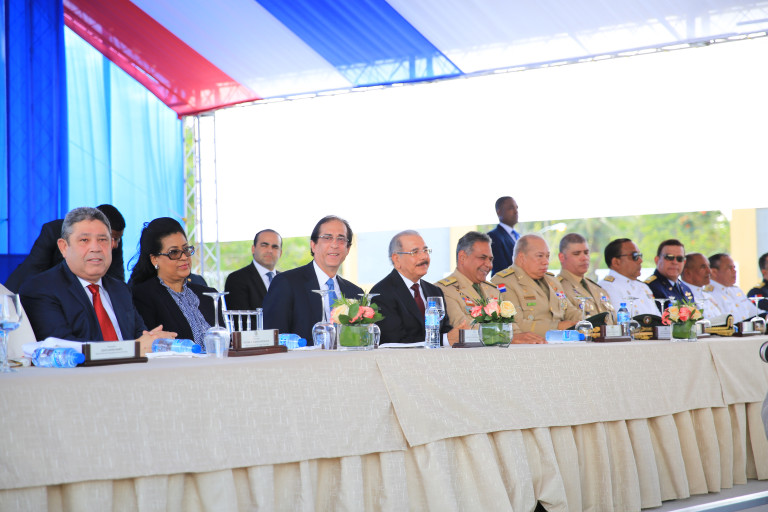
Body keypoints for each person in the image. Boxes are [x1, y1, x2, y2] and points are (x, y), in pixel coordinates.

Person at [19, 207, 173, 351]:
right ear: (64, 247)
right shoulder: (41, 290)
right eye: (84, 240)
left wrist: (154, 340)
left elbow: (141, 337)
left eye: (103, 240)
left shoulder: (120, 289)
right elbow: (64, 350)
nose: (96, 248)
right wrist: (133, 348)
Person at [262, 215, 363, 343]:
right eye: (327, 238)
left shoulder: (355, 293)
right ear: (313, 245)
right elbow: (273, 339)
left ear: (348, 249)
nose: (335, 244)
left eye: (341, 239)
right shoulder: (286, 283)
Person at [129, 218, 220, 350]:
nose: (184, 257)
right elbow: (151, 347)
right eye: (174, 252)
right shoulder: (142, 296)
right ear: (154, 259)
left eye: (186, 249)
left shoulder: (209, 295)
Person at [370, 230, 466, 345]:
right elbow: (395, 341)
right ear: (396, 259)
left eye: (425, 250)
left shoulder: (434, 291)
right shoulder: (382, 293)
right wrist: (445, 340)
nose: (424, 256)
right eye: (414, 252)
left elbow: (444, 330)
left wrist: (456, 335)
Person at [4, 204, 126, 292]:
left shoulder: (113, 243)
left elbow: (116, 282)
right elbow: (34, 272)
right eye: (112, 238)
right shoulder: (53, 232)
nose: (115, 245)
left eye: (117, 239)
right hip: (30, 292)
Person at [492, 234, 580, 338]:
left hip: (562, 341)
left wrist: (588, 322)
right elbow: (515, 324)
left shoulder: (553, 281)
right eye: (540, 256)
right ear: (521, 257)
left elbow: (569, 311)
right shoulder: (504, 282)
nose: (546, 262)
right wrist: (558, 327)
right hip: (531, 344)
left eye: (547, 256)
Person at [436, 231, 501, 330]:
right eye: (482, 258)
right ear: (462, 257)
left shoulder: (493, 290)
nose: (489, 265)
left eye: (490, 259)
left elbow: (512, 327)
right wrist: (503, 332)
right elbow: (464, 328)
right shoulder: (443, 290)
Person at [555, 233, 615, 323]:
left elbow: (614, 321)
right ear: (562, 257)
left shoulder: (597, 289)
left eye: (586, 253)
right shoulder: (557, 288)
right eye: (577, 254)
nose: (584, 258)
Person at [225, 229, 282, 313]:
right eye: (264, 245)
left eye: (275, 247)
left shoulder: (286, 280)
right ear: (253, 249)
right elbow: (241, 318)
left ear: (280, 253)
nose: (270, 250)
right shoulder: (236, 279)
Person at [597, 238, 658, 316]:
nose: (640, 261)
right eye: (635, 256)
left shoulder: (643, 286)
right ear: (616, 262)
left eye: (640, 256)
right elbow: (618, 320)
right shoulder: (607, 287)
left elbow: (658, 318)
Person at [708, 253, 760, 322]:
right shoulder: (708, 294)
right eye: (730, 268)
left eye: (734, 267)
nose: (734, 271)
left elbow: (755, 312)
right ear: (714, 272)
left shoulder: (736, 290)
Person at [644, 239, 694, 308]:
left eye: (679, 259)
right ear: (657, 260)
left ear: (684, 262)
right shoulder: (649, 287)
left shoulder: (686, 289)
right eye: (669, 257)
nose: (675, 262)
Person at [680, 253, 723, 319]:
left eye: (708, 266)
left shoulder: (708, 296)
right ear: (687, 273)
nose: (709, 271)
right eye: (703, 267)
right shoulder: (681, 297)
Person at [487, 196, 520, 275]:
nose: (516, 211)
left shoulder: (519, 236)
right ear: (499, 212)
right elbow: (500, 268)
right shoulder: (493, 236)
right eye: (511, 208)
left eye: (516, 208)